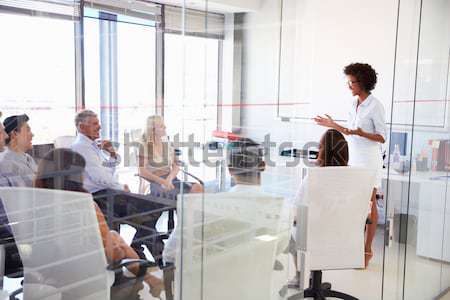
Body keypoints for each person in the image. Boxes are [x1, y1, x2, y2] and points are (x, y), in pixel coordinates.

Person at [34, 148, 164, 298]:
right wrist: (119, 251)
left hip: (49, 276)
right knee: (114, 240)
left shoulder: (35, 204)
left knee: (113, 236)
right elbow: (109, 252)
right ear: (73, 177)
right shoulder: (84, 205)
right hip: (84, 279)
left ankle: (151, 280)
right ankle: (151, 280)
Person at [71, 110, 168, 266]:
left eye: (98, 123)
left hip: (108, 192)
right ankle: (153, 258)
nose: (99, 127)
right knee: (150, 211)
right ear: (82, 127)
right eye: (94, 124)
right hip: (101, 197)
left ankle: (141, 254)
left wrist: (112, 155)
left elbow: (107, 173)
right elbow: (100, 178)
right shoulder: (82, 148)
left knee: (149, 213)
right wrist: (121, 187)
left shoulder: (93, 146)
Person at [314, 62, 386, 267]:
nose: (349, 85)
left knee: (369, 202)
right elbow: (349, 131)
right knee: (355, 203)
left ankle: (367, 249)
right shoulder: (353, 103)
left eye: (352, 82)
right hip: (353, 157)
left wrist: (362, 133)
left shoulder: (375, 106)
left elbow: (382, 137)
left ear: (362, 82)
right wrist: (333, 125)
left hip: (369, 159)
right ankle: (353, 247)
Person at [287, 129, 349, 288]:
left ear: (323, 151)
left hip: (313, 235)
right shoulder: (351, 177)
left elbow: (297, 210)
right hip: (341, 235)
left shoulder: (314, 176)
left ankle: (300, 275)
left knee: (290, 230)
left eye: (319, 147)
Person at [138, 115, 203, 197]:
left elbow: (176, 166)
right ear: (152, 130)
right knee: (180, 196)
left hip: (171, 179)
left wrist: (169, 179)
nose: (165, 127)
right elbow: (142, 171)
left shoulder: (167, 144)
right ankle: (184, 207)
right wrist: (162, 181)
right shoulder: (144, 146)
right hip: (155, 182)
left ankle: (188, 209)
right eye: (161, 126)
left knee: (198, 188)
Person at [0, 114, 37, 187]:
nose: (32, 134)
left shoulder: (28, 158)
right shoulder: (6, 164)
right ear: (14, 134)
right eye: (27, 130)